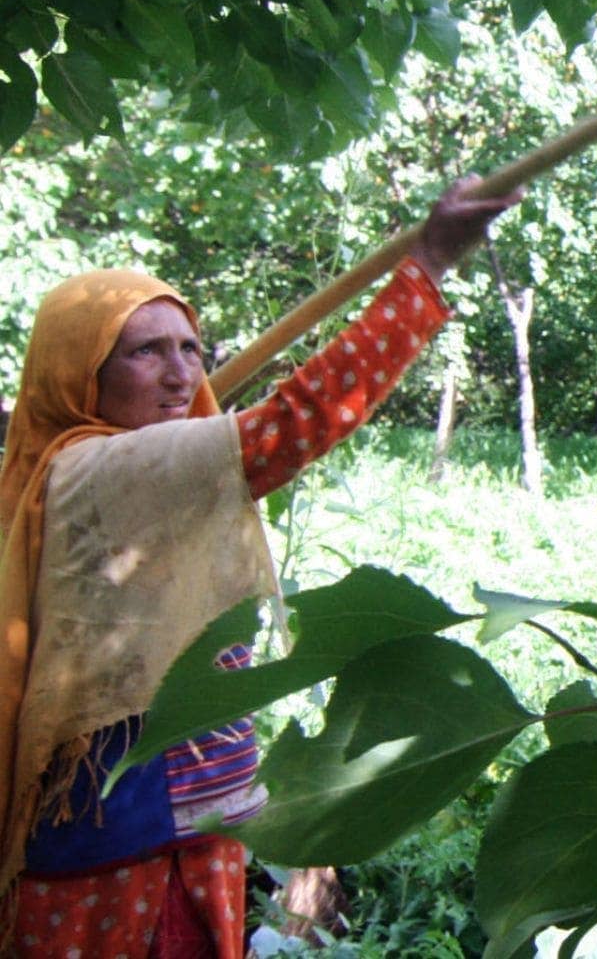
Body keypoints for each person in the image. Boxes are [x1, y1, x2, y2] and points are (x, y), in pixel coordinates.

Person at [0, 175, 523, 957]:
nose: (183, 375)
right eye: (145, 352)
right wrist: (428, 268)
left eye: (190, 349)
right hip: (121, 834)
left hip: (187, 821)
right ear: (81, 374)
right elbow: (296, 423)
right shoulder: (95, 468)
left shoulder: (79, 466)